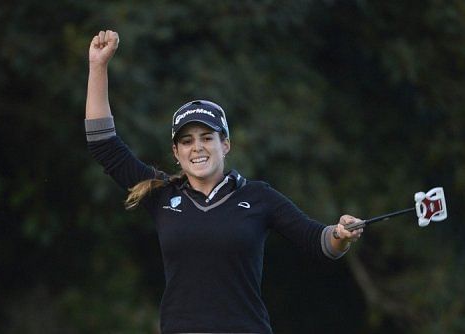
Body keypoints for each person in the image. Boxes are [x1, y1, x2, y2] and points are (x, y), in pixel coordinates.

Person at [85, 30, 363, 334]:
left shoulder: (258, 197)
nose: (198, 147)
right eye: (187, 141)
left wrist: (340, 234)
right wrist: (98, 67)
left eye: (207, 138)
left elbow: (318, 241)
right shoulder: (162, 194)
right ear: (176, 152)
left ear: (225, 144)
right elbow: (104, 145)